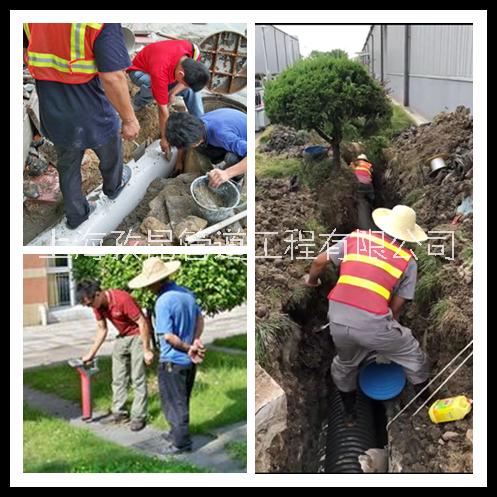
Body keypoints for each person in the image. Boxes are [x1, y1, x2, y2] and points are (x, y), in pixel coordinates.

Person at [304, 205, 431, 424]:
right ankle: (426, 401)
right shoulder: (407, 260)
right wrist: (384, 337)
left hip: (337, 318)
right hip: (373, 322)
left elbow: (318, 261)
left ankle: (350, 414)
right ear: (408, 235)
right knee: (411, 352)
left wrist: (312, 281)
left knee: (345, 363)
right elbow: (397, 305)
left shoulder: (357, 238)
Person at [23, 23, 139, 229]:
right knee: (111, 153)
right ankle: (113, 187)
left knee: (68, 165)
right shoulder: (99, 21)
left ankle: (76, 215)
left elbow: (26, 51)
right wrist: (129, 120)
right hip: (92, 110)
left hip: (53, 109)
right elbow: (112, 76)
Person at [128, 258, 205, 454]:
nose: (147, 289)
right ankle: (175, 434)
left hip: (172, 361)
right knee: (182, 400)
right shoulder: (186, 294)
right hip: (188, 363)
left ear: (156, 282)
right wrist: (195, 340)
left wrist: (188, 347)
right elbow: (199, 319)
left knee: (173, 404)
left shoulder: (163, 301)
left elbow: (169, 336)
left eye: (148, 285)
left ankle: (181, 444)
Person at [77, 280, 153, 431]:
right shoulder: (97, 306)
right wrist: (90, 354)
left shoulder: (122, 299)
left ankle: (139, 416)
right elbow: (102, 329)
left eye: (90, 304)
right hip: (123, 336)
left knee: (137, 377)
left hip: (138, 335)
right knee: (118, 377)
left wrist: (146, 350)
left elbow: (142, 323)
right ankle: (119, 413)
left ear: (98, 294)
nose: (91, 307)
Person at [127, 40, 210, 155]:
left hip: (168, 70)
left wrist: (173, 93)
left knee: (192, 92)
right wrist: (165, 139)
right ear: (181, 74)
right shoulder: (160, 72)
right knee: (152, 87)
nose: (184, 86)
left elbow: (187, 82)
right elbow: (163, 110)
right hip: (140, 72)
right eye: (184, 83)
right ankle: (139, 102)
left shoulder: (193, 51)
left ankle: (202, 126)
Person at [165, 108, 247, 188]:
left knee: (231, 158)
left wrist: (227, 174)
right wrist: (179, 161)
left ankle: (236, 179)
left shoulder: (223, 136)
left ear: (197, 141)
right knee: (201, 149)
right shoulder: (195, 124)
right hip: (232, 125)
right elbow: (183, 137)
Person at [350, 154, 375, 230]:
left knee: (359, 197)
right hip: (368, 185)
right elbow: (372, 173)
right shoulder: (369, 165)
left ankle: (359, 207)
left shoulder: (355, 164)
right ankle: (372, 208)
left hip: (359, 184)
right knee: (371, 197)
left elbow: (350, 170)